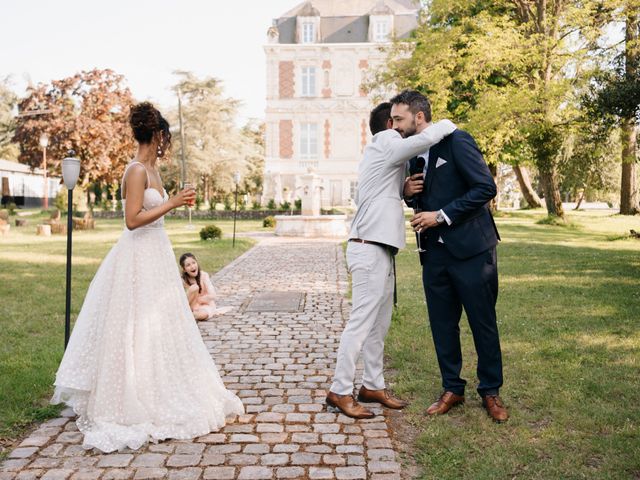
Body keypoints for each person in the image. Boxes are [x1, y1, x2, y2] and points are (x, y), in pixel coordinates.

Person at [51, 102, 244, 452]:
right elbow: (132, 219)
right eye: (164, 136)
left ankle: (161, 385)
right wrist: (172, 204)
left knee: (161, 324)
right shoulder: (137, 170)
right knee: (134, 324)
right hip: (137, 255)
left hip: (156, 252)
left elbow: (151, 214)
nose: (166, 143)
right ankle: (131, 396)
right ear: (156, 135)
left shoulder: (153, 172)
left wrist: (175, 201)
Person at [326, 101, 457, 419]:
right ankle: (340, 390)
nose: (403, 127)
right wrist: (446, 124)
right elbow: (422, 140)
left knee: (377, 326)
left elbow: (378, 194)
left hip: (379, 248)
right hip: (369, 247)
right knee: (360, 324)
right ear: (389, 125)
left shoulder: (380, 156)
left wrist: (401, 188)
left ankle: (372, 386)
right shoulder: (386, 140)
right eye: (398, 121)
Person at [396, 90, 508, 422]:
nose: (395, 125)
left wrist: (441, 214)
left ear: (419, 117)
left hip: (472, 250)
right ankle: (452, 389)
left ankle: (490, 392)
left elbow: (485, 188)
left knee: (482, 323)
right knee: (443, 325)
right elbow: (420, 199)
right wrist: (406, 194)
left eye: (400, 118)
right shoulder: (411, 155)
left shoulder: (458, 140)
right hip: (433, 254)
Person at [180, 252, 233, 320]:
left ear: (197, 263)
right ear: (184, 269)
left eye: (194, 263)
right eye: (188, 265)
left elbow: (213, 295)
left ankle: (190, 315)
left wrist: (199, 300)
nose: (192, 267)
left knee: (203, 315)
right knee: (194, 288)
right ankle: (186, 312)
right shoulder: (183, 280)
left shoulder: (204, 275)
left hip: (205, 305)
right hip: (191, 305)